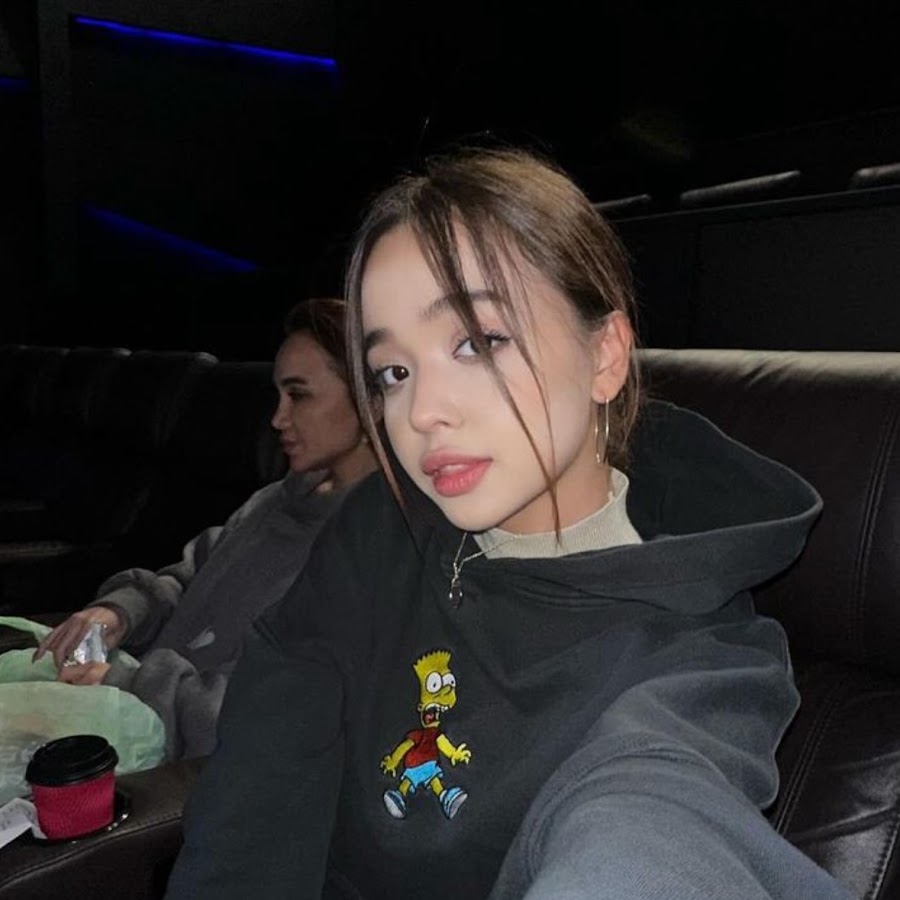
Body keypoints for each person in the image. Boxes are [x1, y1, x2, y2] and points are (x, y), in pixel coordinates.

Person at [165, 149, 852, 899]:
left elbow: (651, 828)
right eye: (393, 372)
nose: (420, 412)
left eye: (477, 342)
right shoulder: (377, 529)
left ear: (605, 356)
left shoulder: (703, 659)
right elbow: (259, 787)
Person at [33, 297, 377, 760]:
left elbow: (263, 718)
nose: (277, 418)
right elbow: (184, 580)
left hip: (174, 775)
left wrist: (123, 687)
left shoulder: (375, 553)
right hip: (126, 720)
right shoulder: (274, 500)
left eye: (298, 395)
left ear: (370, 401)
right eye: (277, 395)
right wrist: (119, 612)